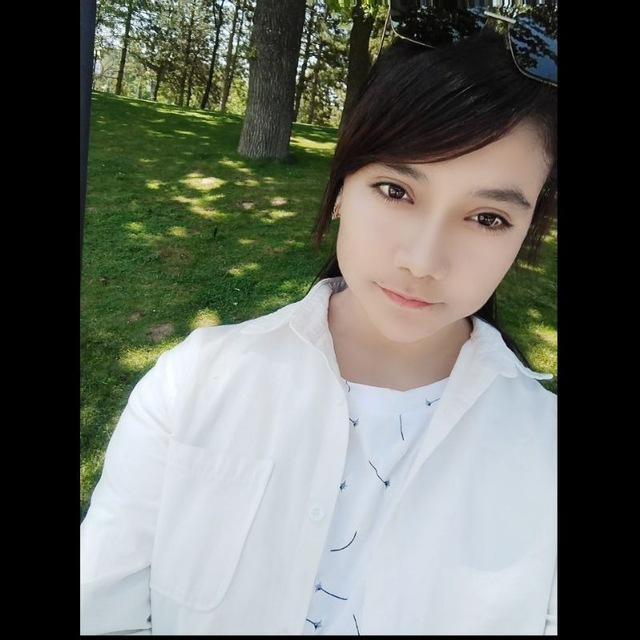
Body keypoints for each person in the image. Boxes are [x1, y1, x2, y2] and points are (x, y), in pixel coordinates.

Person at [81, 2, 557, 635]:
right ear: (339, 189)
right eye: (396, 191)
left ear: (527, 234)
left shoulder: (544, 451)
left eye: (488, 218)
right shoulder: (194, 383)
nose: (422, 261)